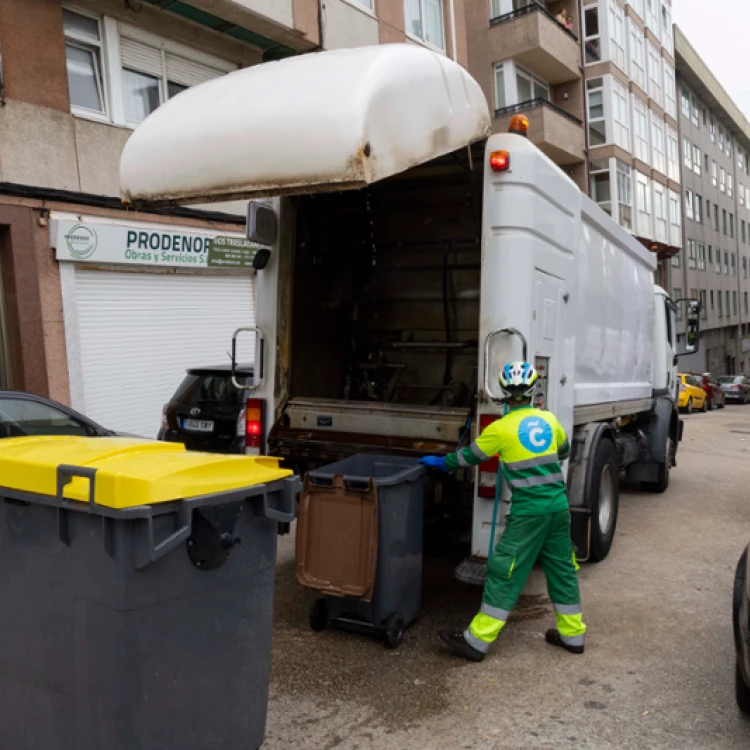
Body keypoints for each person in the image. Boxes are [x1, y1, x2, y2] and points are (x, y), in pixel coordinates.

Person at [420, 361, 586, 662]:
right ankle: (572, 635)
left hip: (529, 513)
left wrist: (442, 462)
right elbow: (563, 451)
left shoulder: (500, 428)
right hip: (559, 508)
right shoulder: (548, 419)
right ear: (534, 392)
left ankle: (477, 640)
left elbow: (470, 457)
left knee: (504, 571)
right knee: (562, 569)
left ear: (504, 394)